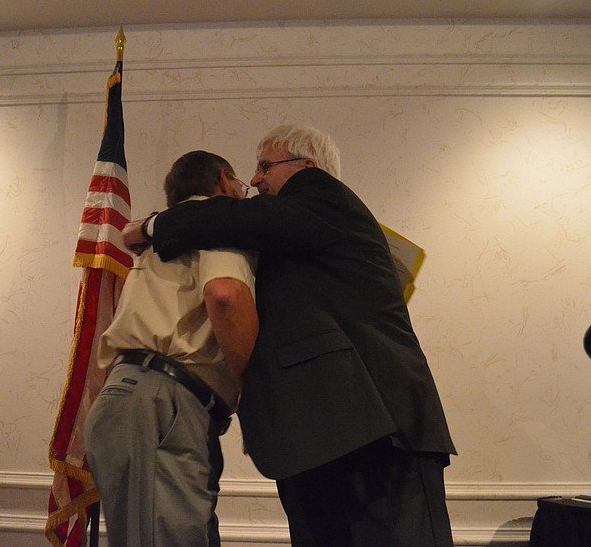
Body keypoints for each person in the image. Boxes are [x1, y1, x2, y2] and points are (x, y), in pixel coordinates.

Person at [124, 125, 457, 546]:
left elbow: (230, 215)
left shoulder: (323, 194)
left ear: (307, 166)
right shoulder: (290, 232)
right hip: (322, 435)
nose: (256, 180)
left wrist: (154, 226)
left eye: (265, 166)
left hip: (379, 428)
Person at [84, 150, 258, 547]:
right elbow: (226, 293)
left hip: (132, 398)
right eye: (242, 185)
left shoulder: (160, 238)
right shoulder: (217, 225)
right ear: (222, 182)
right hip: (164, 403)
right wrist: (251, 392)